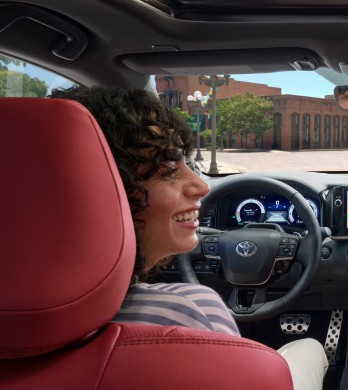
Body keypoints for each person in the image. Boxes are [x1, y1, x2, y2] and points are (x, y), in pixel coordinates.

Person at [49, 86, 329, 390]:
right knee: (309, 348)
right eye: (169, 170)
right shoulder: (190, 307)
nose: (202, 186)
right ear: (100, 187)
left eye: (189, 164)